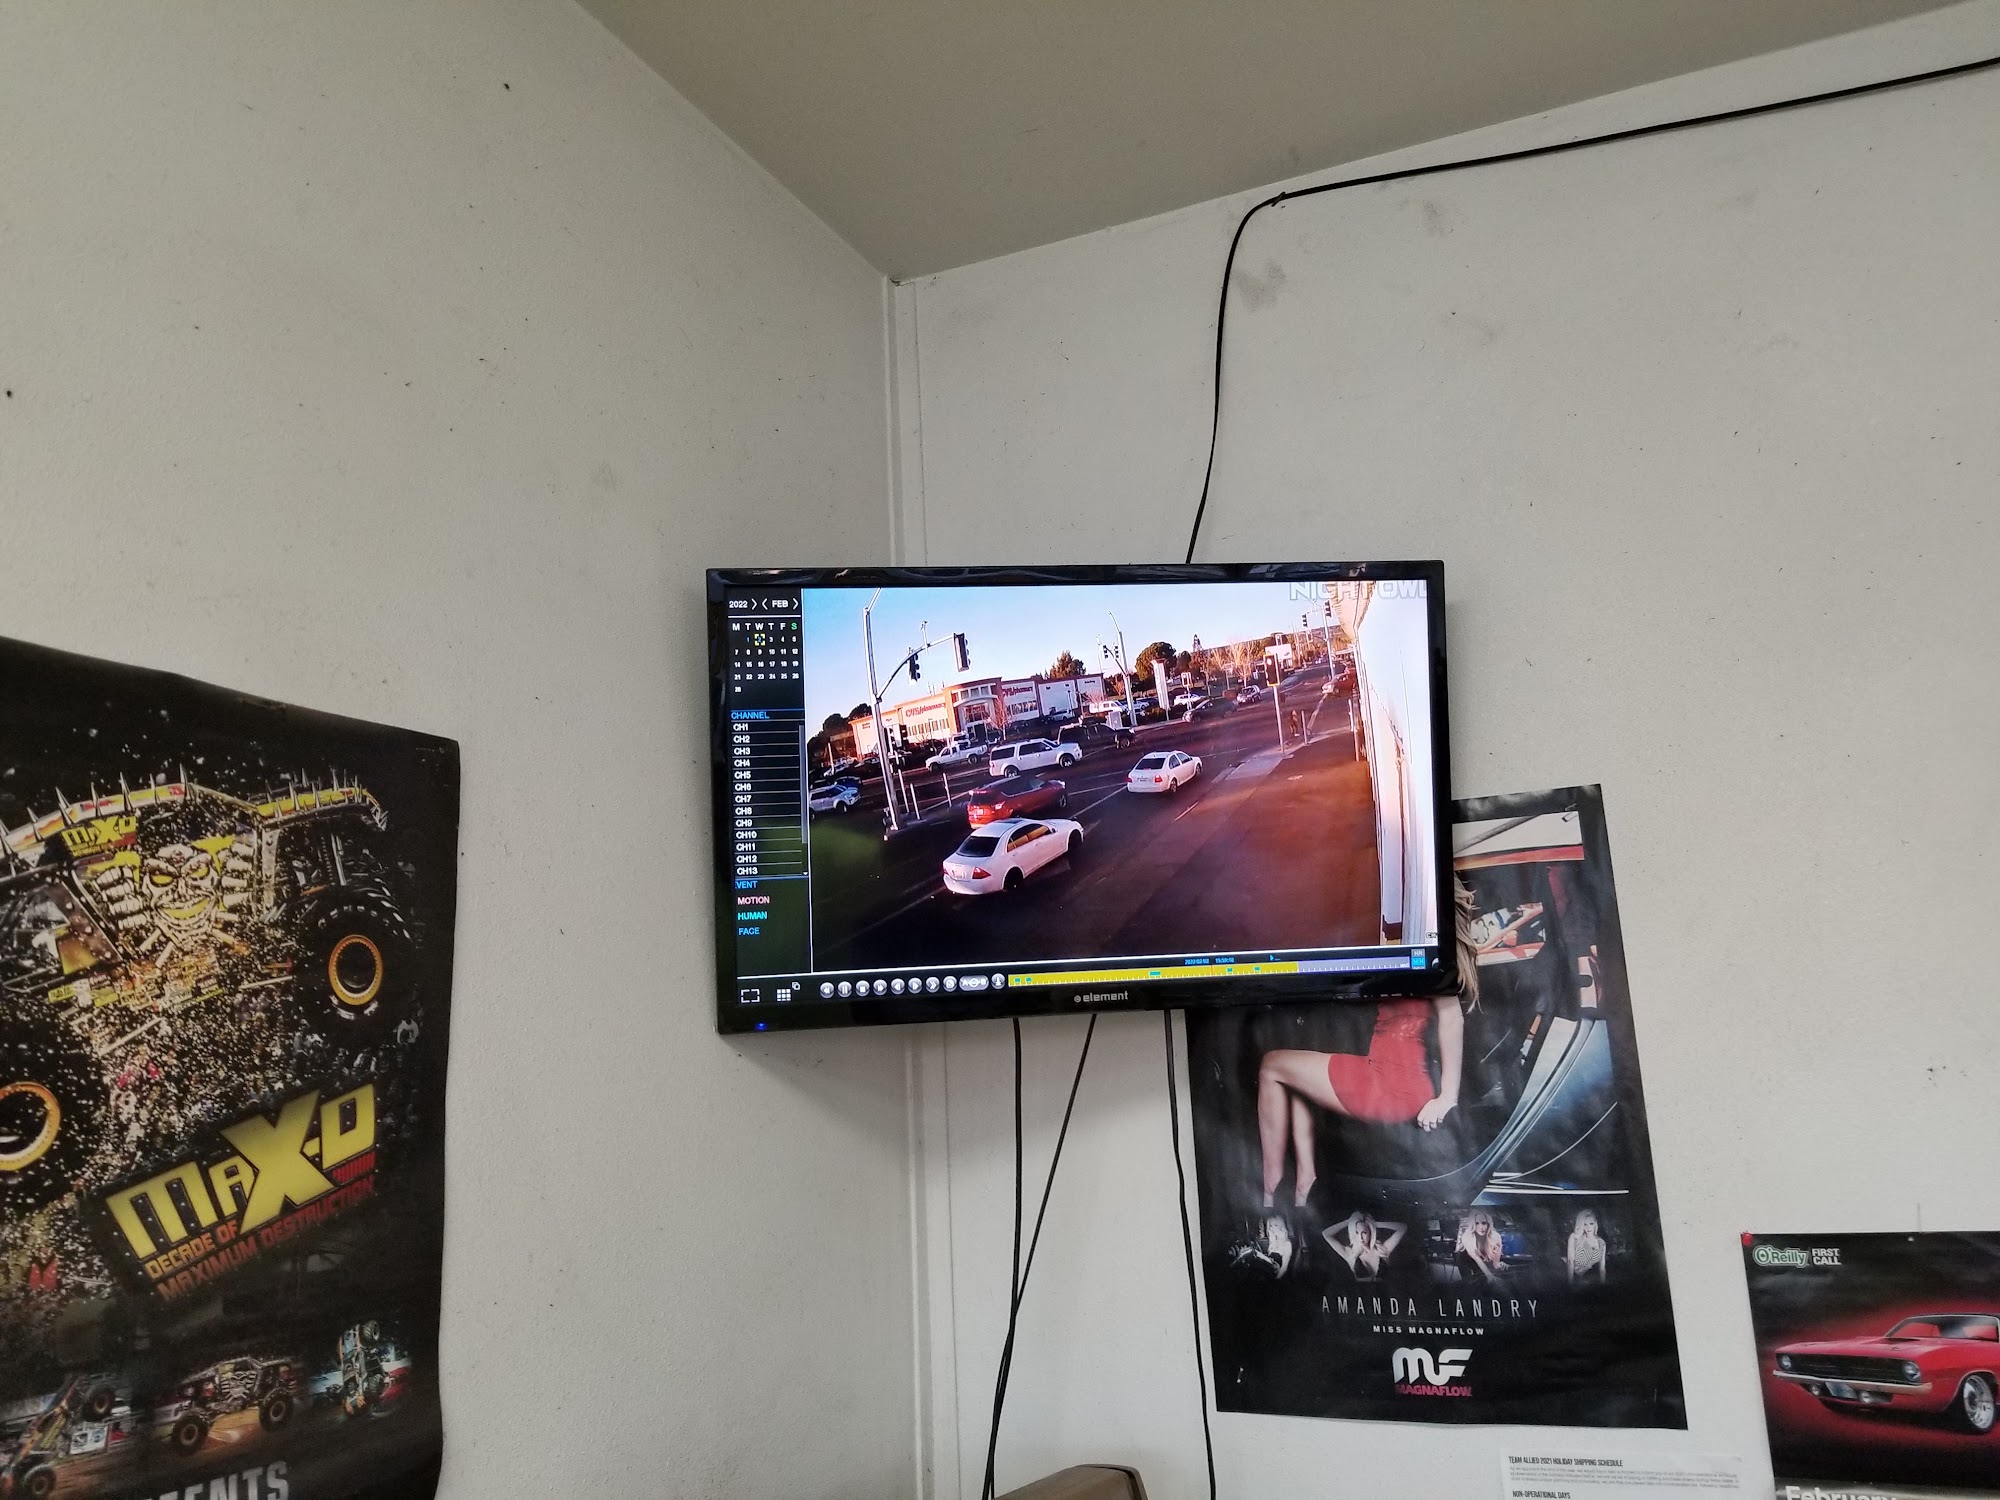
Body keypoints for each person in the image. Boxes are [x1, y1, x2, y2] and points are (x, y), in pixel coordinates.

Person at [1238, 879, 1481, 1270]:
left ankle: (1268, 1196)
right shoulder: (1414, 938)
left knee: (1271, 1066)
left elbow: (1451, 1017)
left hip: (1388, 1085)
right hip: (1393, 1077)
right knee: (1296, 1080)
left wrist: (1447, 1097)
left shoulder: (1430, 943)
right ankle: (1303, 1182)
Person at [1323, 1211, 1405, 1281]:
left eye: (1364, 1233)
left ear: (1370, 1233)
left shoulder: (1382, 1250)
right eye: (1357, 1232)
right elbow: (1326, 1234)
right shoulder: (1350, 1253)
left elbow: (1402, 1228)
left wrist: (1376, 1224)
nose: (1360, 1237)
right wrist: (1348, 1221)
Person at [1455, 1209, 1507, 1283]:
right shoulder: (1467, 1237)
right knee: (1472, 1281)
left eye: (1484, 1223)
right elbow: (1476, 1258)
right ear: (1473, 1224)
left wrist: (1500, 1265)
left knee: (1486, 1280)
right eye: (1477, 1223)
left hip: (1482, 1257)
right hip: (1466, 1258)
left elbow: (1495, 1264)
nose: (1481, 1227)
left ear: (1488, 1224)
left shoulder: (1496, 1237)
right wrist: (1489, 1276)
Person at [1567, 1210, 1607, 1283]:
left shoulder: (1601, 1243)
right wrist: (1570, 1284)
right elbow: (1570, 1261)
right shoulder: (1575, 1237)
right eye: (1585, 1224)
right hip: (1567, 1271)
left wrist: (1603, 1285)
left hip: (1584, 1277)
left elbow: (1602, 1269)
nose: (1588, 1227)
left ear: (1595, 1223)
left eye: (1591, 1223)